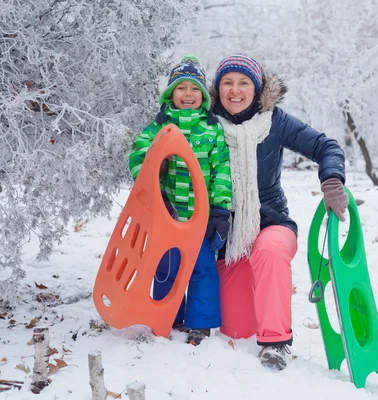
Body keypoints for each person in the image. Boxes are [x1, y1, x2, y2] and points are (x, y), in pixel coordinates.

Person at [210, 53, 348, 370]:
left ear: (257, 89)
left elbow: (327, 147)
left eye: (244, 83)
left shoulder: (276, 120)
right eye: (227, 83)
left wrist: (332, 181)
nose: (235, 90)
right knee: (237, 332)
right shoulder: (204, 124)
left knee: (270, 251)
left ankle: (276, 344)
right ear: (218, 89)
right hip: (226, 239)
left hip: (272, 222)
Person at [129, 56, 233, 345]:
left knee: (202, 267)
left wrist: (221, 209)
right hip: (168, 213)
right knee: (167, 265)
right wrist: (153, 190)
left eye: (194, 89)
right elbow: (139, 155)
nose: (188, 94)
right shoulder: (159, 126)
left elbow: (222, 169)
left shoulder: (212, 129)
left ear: (202, 95)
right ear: (170, 94)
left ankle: (200, 324)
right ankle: (168, 314)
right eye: (181, 88)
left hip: (201, 216)